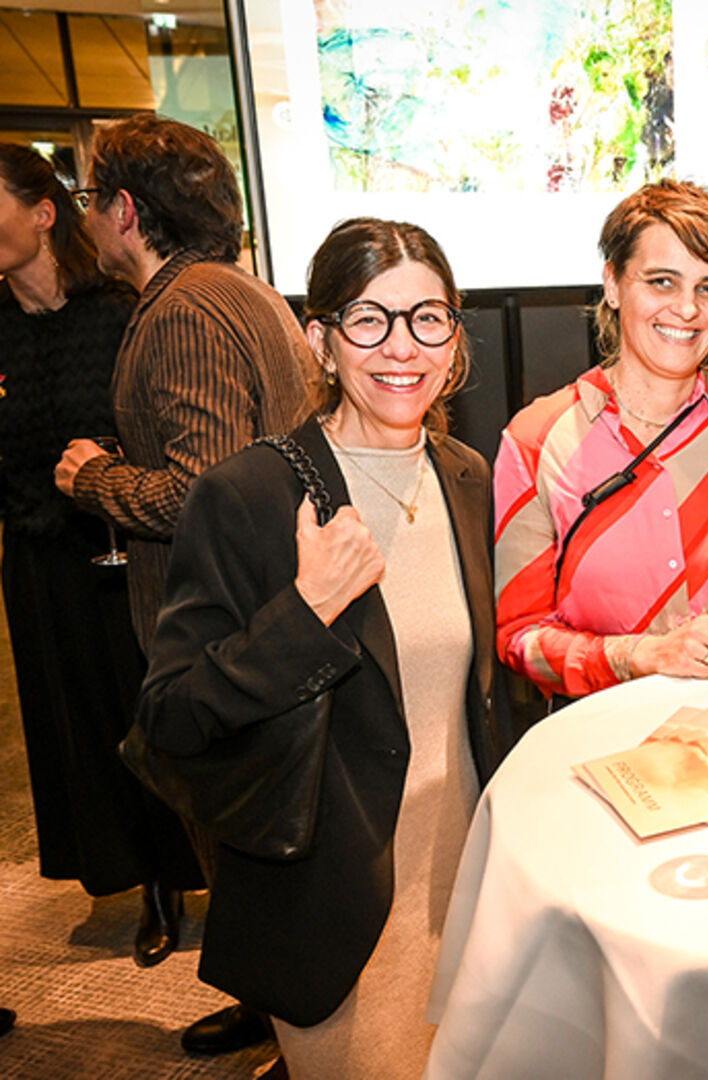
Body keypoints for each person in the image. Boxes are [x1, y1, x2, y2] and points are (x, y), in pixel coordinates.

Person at [135, 218, 512, 1079]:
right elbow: (171, 715)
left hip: (463, 887)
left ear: (453, 338)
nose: (401, 347)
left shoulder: (463, 474)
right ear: (321, 339)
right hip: (334, 905)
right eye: (369, 320)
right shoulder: (252, 494)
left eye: (427, 318)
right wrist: (306, 611)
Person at [51, 113, 308, 1056]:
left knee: (241, 827)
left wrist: (97, 482)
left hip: (224, 626)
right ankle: (273, 1005)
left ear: (125, 210)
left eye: (88, 199)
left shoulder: (186, 308)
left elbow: (211, 485)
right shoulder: (245, 295)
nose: (88, 219)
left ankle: (291, 1027)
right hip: (269, 614)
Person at [0, 144, 201, 967]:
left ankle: (169, 877)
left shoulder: (122, 313)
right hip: (36, 557)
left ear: (43, 214)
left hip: (123, 550)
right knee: (70, 720)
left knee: (140, 714)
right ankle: (122, 868)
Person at [495, 179, 708, 701]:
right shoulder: (537, 440)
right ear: (613, 285)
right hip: (602, 743)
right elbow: (520, 638)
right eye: (662, 281)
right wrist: (637, 654)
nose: (687, 309)